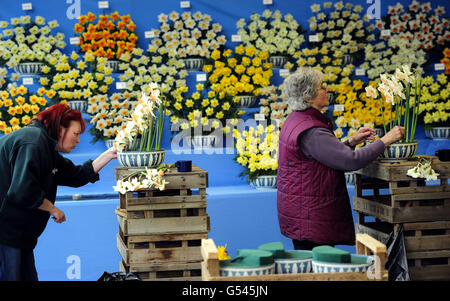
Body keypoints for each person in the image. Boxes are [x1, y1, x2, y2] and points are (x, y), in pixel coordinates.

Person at [277, 67, 404, 251]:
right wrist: (386, 140)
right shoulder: (312, 131)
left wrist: (351, 141)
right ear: (308, 97)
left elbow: (323, 155)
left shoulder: (296, 120)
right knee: (319, 272)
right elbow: (350, 161)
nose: (327, 90)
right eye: (321, 87)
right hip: (312, 218)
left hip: (304, 214)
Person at [0, 103, 117, 281]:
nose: (78, 140)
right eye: (76, 134)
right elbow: (22, 190)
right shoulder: (33, 141)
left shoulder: (46, 147)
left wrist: (109, 154)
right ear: (60, 129)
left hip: (18, 236)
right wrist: (52, 209)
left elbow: (76, 176)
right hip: (6, 233)